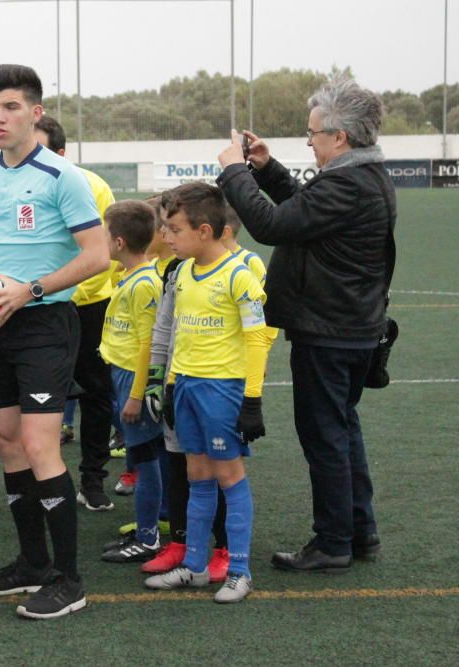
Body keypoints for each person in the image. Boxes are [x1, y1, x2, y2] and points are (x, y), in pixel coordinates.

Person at [216, 75, 395, 572]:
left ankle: (334, 540)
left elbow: (274, 225)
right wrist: (267, 169)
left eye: (312, 134)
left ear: (340, 137)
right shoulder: (363, 176)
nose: (310, 142)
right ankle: (359, 532)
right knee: (341, 429)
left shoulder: (348, 183)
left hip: (331, 329)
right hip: (350, 325)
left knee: (325, 435)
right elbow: (302, 210)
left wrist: (235, 173)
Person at [0, 64, 108, 620]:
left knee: (41, 444)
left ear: (35, 112)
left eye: (11, 107)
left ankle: (70, 581)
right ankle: (32, 564)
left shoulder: (61, 176)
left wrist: (30, 289)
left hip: (44, 320)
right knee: (6, 440)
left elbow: (97, 255)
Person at [142, 183, 269, 604]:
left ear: (205, 230)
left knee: (229, 478)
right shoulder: (181, 274)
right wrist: (173, 384)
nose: (168, 238)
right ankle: (195, 568)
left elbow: (257, 341)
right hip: (188, 389)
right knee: (197, 477)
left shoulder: (239, 275)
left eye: (174, 229)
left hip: (223, 392)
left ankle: (240, 571)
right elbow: (181, 337)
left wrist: (252, 400)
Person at [33, 115, 117, 511]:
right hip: (38, 308)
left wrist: (66, 287)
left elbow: (107, 252)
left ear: (62, 154)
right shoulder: (18, 185)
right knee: (37, 397)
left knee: (98, 394)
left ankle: (92, 479)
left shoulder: (94, 187)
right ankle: (39, 478)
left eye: (42, 150)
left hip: (89, 307)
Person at [96, 200, 165, 563]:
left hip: (131, 378)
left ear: (119, 242)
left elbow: (147, 343)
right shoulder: (132, 277)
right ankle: (146, 531)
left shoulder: (144, 285)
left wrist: (136, 395)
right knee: (143, 457)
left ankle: (149, 537)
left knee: (144, 458)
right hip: (122, 373)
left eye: (105, 235)